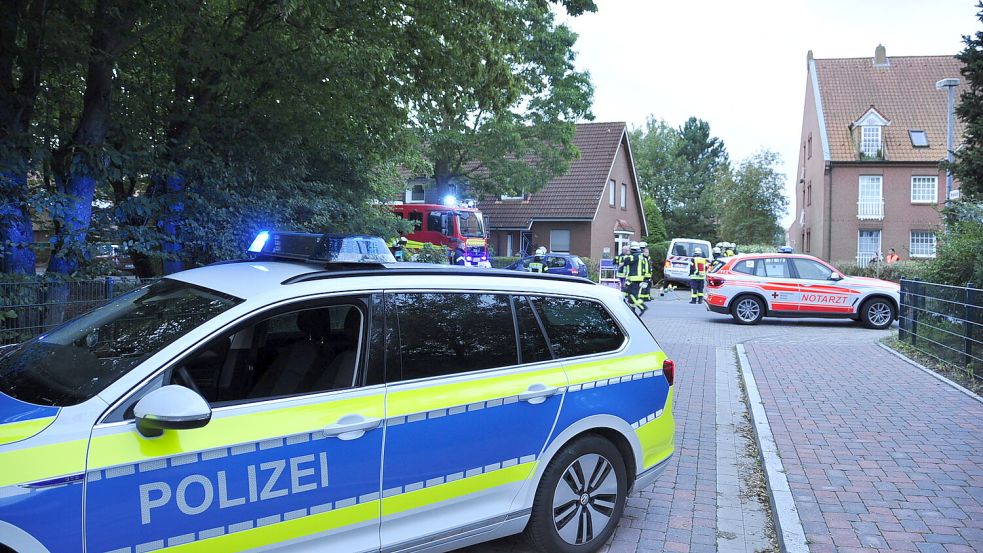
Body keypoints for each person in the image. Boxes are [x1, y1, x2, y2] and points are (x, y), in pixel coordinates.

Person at [623, 242, 648, 314]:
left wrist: (627, 253)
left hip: (634, 279)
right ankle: (632, 310)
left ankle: (642, 307)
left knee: (632, 294)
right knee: (631, 296)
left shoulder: (633, 256)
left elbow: (625, 262)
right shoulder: (641, 256)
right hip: (640, 278)